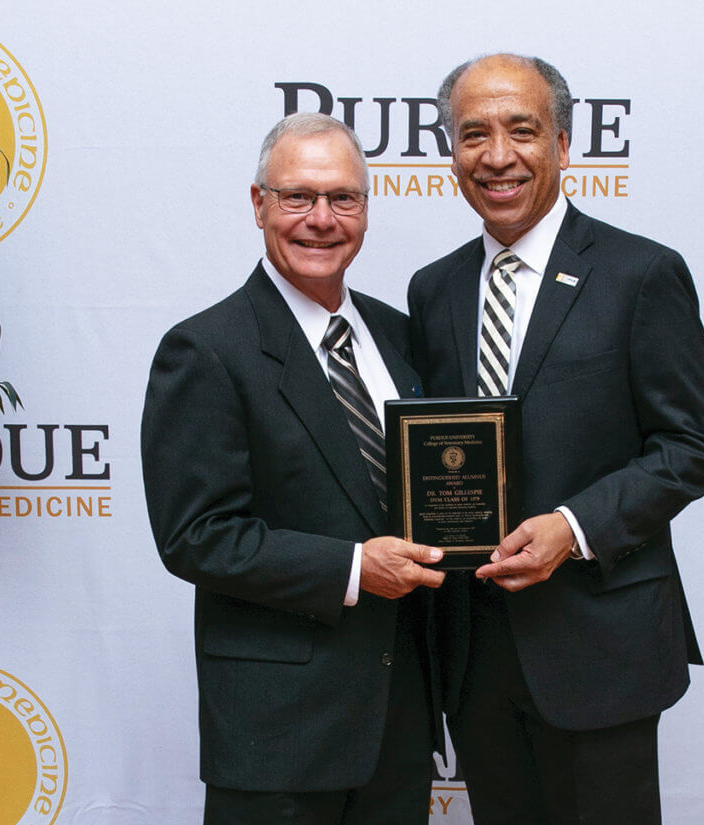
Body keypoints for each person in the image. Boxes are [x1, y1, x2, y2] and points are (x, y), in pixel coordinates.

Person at [407, 54, 704, 824]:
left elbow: (692, 445)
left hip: (599, 644)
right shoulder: (433, 287)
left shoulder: (641, 273)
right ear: (451, 151)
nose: (497, 155)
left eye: (522, 130)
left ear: (563, 142)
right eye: (473, 133)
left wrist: (573, 528)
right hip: (475, 651)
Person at [141, 112, 445, 825]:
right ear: (258, 205)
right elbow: (197, 534)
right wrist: (351, 567)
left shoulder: (400, 337)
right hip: (277, 737)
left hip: (397, 724)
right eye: (297, 197)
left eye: (343, 198)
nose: (321, 219)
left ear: (366, 211)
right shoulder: (206, 350)